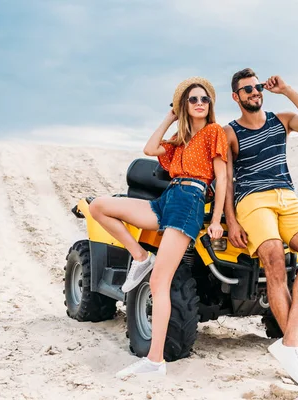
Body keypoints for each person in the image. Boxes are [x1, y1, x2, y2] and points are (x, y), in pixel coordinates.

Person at [89, 77, 228, 377]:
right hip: (166, 200)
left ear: (211, 105)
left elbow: (223, 177)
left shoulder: (214, 132)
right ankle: (140, 257)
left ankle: (155, 361)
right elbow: (150, 148)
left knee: (158, 284)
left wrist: (216, 220)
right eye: (192, 100)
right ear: (184, 106)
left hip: (189, 199)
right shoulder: (180, 140)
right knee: (98, 206)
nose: (200, 103)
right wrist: (169, 117)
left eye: (204, 99)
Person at [223, 68, 298, 387]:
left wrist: (287, 90)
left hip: (287, 197)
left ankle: (289, 345)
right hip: (252, 199)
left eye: (257, 87)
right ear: (236, 97)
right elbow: (226, 180)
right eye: (247, 89)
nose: (254, 92)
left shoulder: (280, 120)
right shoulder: (230, 132)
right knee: (273, 259)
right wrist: (230, 220)